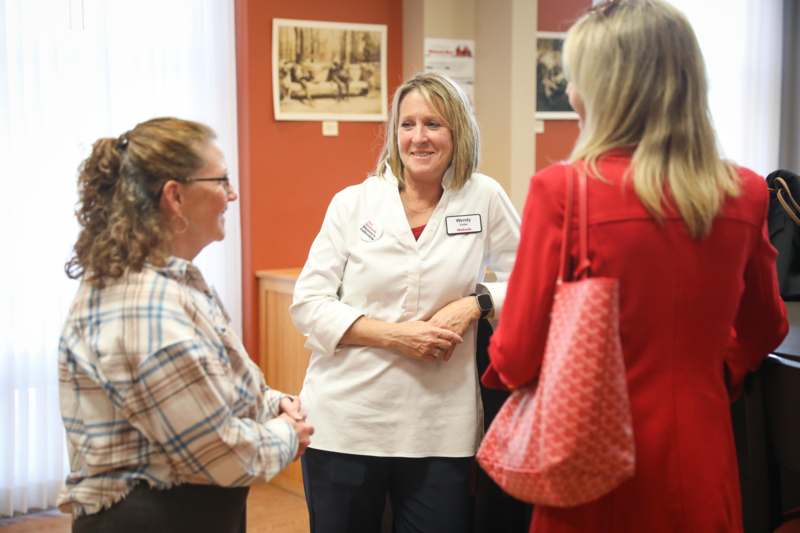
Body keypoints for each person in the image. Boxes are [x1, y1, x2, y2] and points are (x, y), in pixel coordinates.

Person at [483, 1, 788, 532]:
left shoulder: (564, 192)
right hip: (701, 457)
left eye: (577, 78)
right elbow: (766, 325)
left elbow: (514, 355)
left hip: (588, 466)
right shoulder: (743, 194)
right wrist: (717, 367)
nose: (571, 92)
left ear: (603, 91)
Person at [58, 117, 314, 533]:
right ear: (175, 196)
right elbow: (221, 456)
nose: (231, 194)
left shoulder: (172, 282)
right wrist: (289, 432)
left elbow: (215, 385)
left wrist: (271, 403)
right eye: (221, 180)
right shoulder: (145, 308)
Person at [290, 71, 521, 533]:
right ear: (394, 134)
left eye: (433, 124)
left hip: (439, 429)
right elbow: (309, 304)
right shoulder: (353, 203)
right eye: (407, 124)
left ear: (458, 132)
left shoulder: (483, 197)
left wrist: (476, 303)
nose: (419, 137)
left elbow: (530, 278)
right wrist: (397, 337)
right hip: (347, 423)